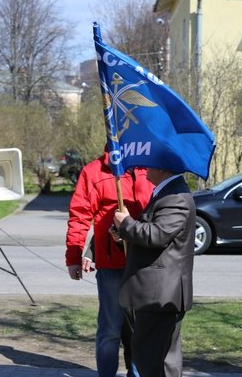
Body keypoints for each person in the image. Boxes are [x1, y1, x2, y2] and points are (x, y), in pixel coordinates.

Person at [65, 149, 154, 377]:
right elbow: (79, 216)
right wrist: (74, 257)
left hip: (146, 264)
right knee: (110, 330)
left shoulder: (153, 168)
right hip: (111, 266)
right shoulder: (95, 171)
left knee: (142, 330)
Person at [112, 168, 195, 377]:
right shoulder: (166, 192)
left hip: (160, 294)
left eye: (150, 163)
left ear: (163, 167)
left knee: (156, 359)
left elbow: (157, 235)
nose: (145, 168)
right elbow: (154, 233)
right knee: (155, 357)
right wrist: (124, 233)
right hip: (156, 292)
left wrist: (127, 224)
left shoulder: (175, 197)